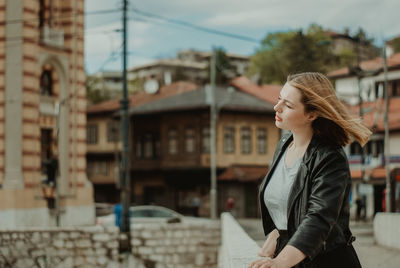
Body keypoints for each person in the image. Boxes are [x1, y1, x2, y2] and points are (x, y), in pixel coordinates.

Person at [249, 73, 371, 268]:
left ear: (311, 115)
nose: (276, 107)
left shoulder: (330, 157)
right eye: (279, 98)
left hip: (327, 262)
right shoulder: (283, 145)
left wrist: (280, 262)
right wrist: (274, 238)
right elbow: (286, 207)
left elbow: (319, 218)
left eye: (287, 105)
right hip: (292, 258)